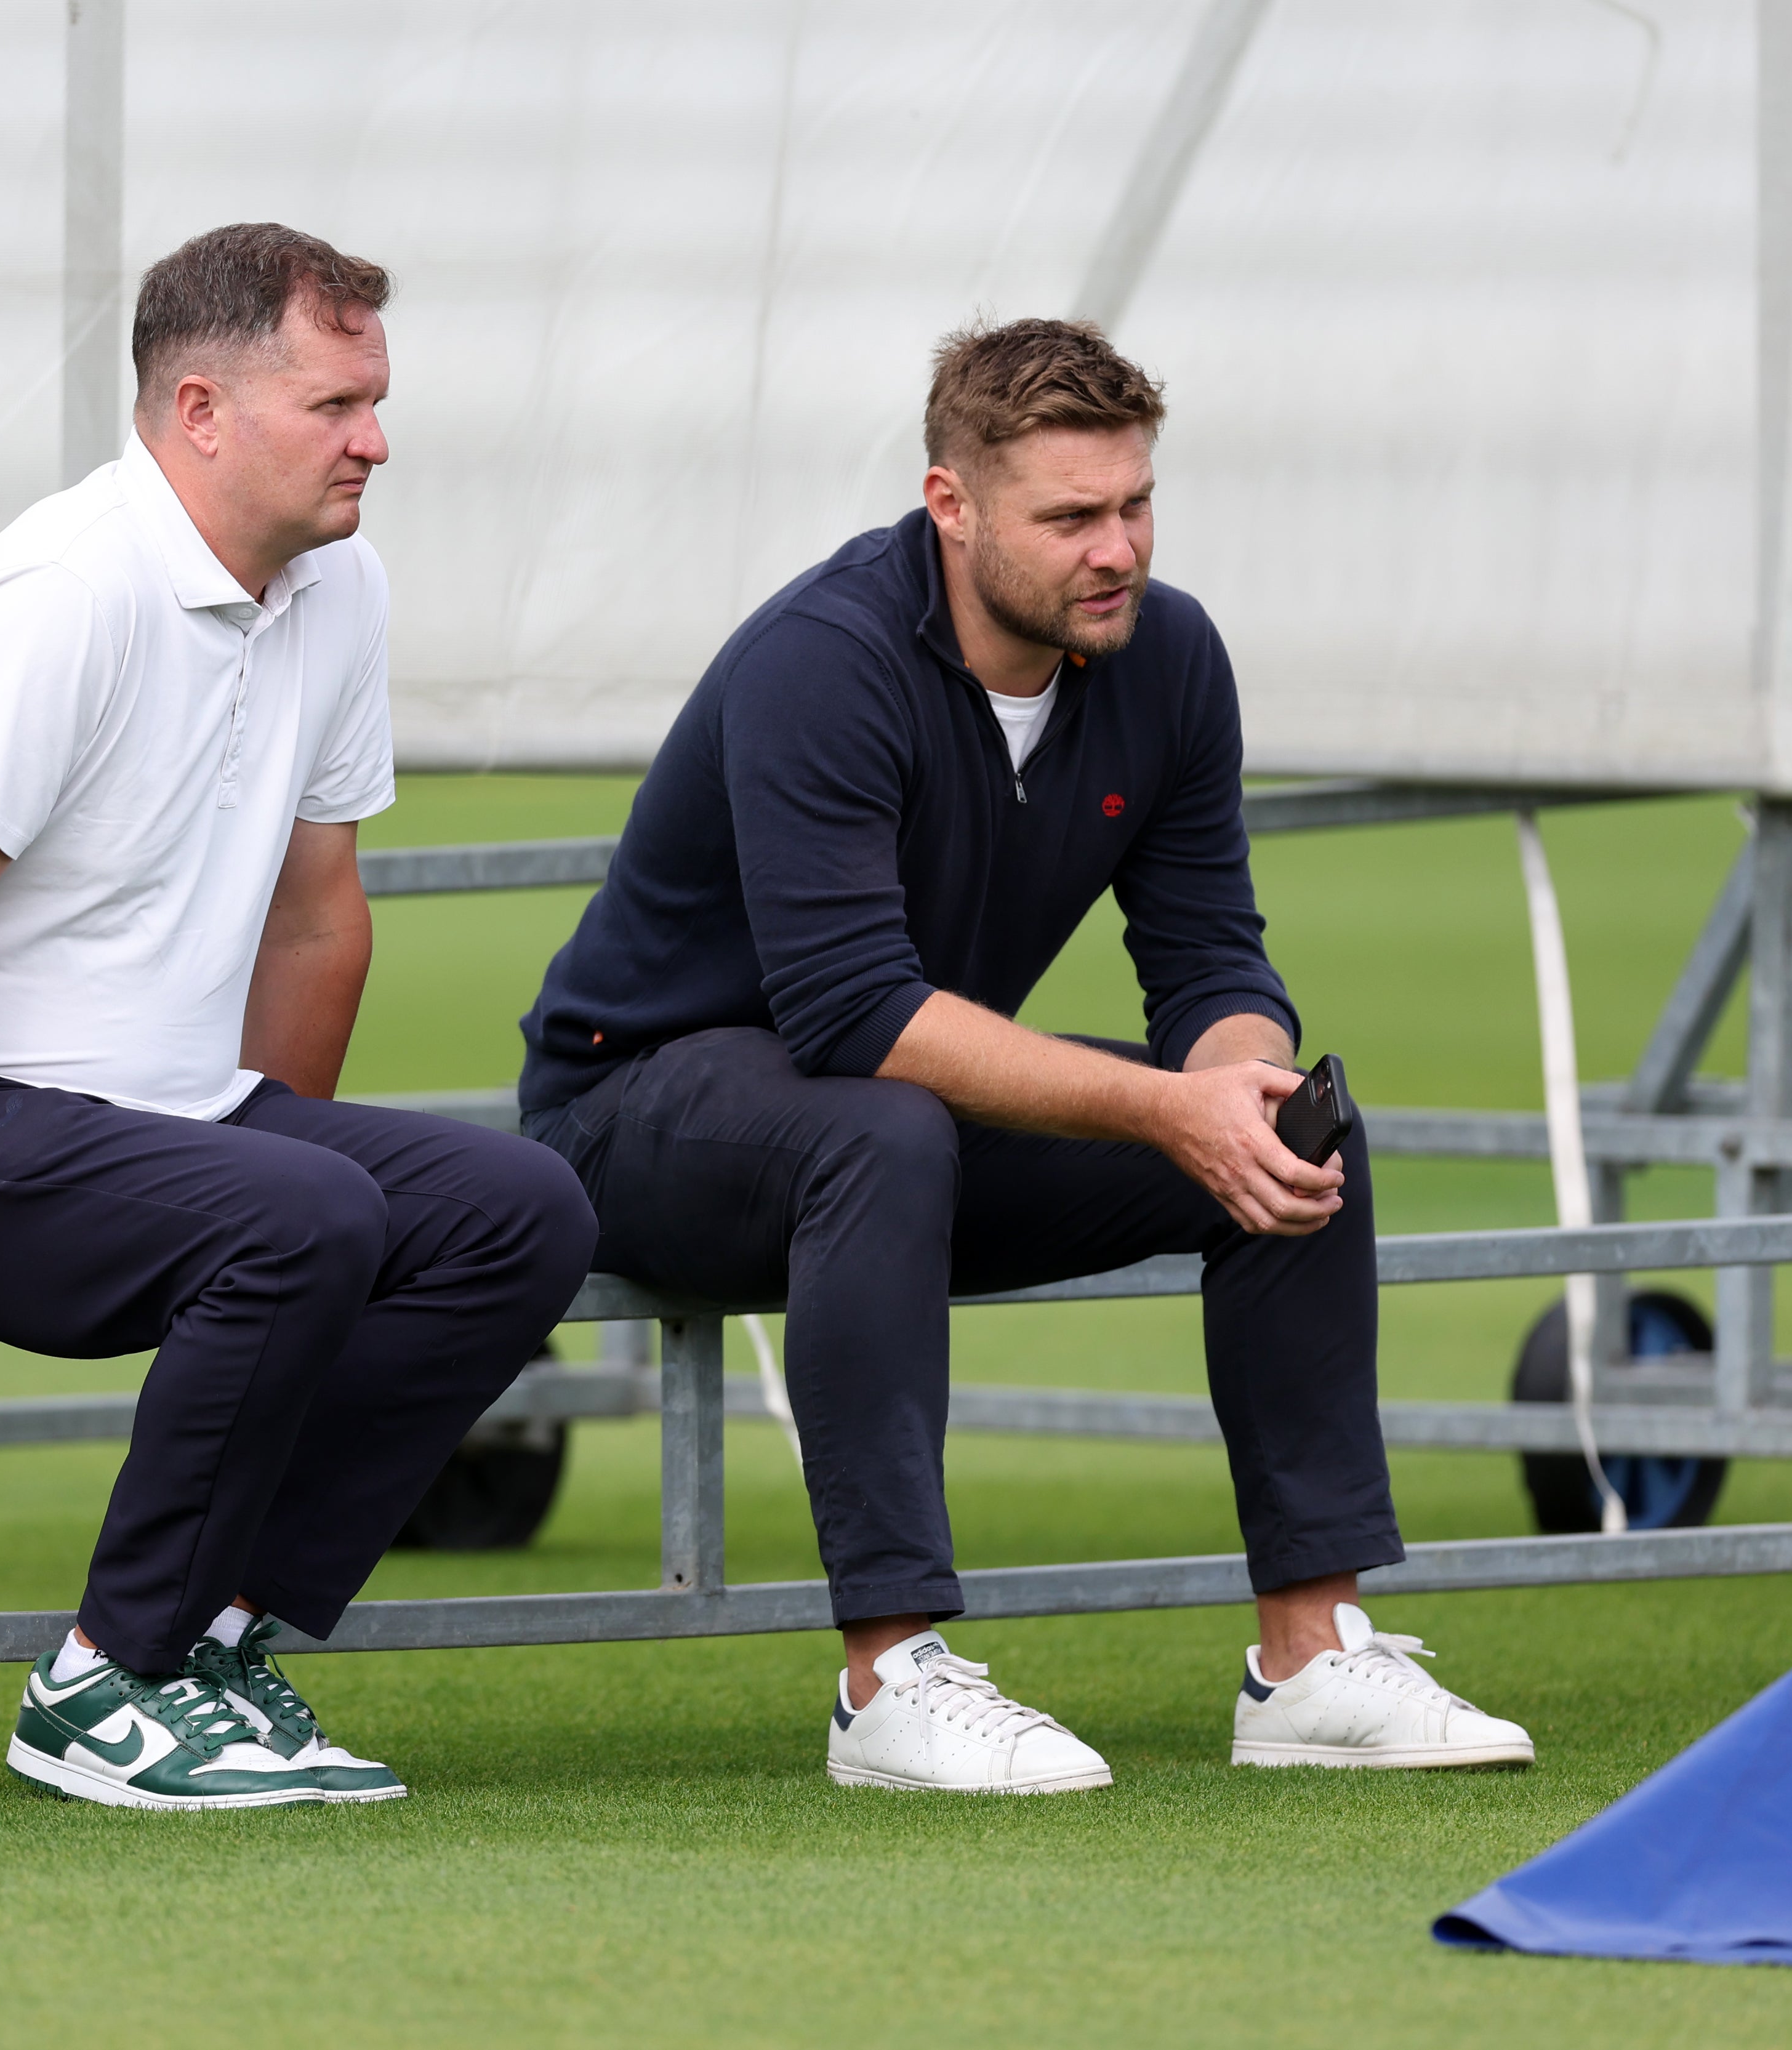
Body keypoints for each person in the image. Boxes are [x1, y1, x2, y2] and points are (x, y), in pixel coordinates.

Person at [518, 317, 1532, 1792]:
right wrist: (1168, 1110)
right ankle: (890, 1682)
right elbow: (856, 1015)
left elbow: (1207, 958)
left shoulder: (1167, 655)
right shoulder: (824, 661)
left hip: (888, 1110)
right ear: (952, 507)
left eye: (1133, 505)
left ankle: (1311, 1658)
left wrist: (1234, 1095)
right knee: (882, 1127)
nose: (1114, 549)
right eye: (1069, 518)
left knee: (1301, 1124)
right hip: (638, 1114)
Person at [0, 223, 598, 1812]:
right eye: (336, 404)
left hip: (150, 1116)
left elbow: (315, 911)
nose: (376, 439)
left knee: (519, 1210)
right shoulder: (65, 589)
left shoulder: (337, 586)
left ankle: (213, 1641)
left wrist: (286, 1167)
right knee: (301, 1217)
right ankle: (99, 1684)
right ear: (199, 411)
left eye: (376, 400)